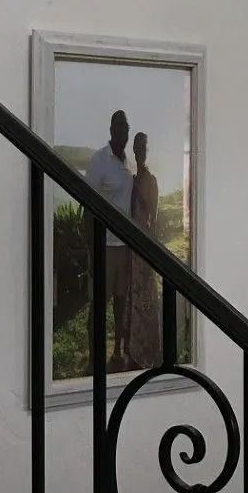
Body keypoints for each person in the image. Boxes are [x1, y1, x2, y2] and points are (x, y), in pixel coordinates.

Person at [84, 110, 134, 370]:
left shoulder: (129, 163)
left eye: (126, 128)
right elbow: (86, 207)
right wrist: (92, 252)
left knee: (120, 302)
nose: (123, 132)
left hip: (124, 248)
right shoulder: (98, 161)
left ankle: (117, 351)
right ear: (111, 129)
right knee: (98, 306)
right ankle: (95, 357)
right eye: (119, 127)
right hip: (104, 247)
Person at [127, 131, 164, 370]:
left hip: (145, 242)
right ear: (134, 150)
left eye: (143, 147)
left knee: (146, 294)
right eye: (138, 147)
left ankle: (149, 348)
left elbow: (154, 215)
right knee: (135, 293)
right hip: (132, 242)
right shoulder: (132, 179)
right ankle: (135, 347)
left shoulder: (149, 180)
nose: (140, 151)